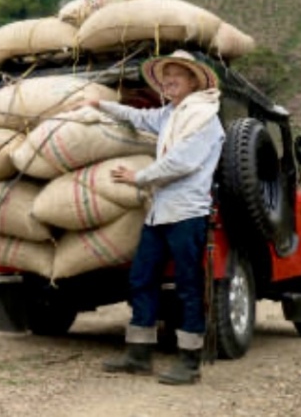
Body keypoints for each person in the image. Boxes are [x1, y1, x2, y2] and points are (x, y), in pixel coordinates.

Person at [82, 49, 224, 385]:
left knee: (188, 286)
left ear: (194, 80)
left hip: (187, 212)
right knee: (141, 278)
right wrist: (100, 106)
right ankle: (138, 354)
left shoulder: (203, 116)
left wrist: (138, 178)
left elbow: (182, 162)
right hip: (159, 211)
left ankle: (190, 362)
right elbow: (139, 118)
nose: (170, 80)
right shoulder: (171, 114)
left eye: (178, 74)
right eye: (166, 75)